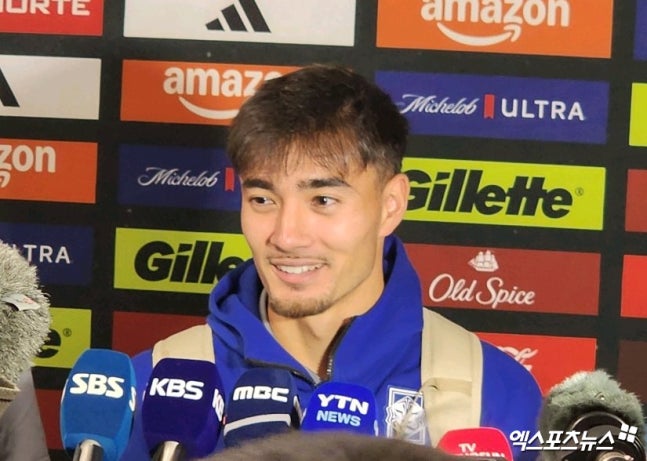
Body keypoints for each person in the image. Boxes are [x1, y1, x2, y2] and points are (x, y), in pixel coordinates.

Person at [120, 64, 542, 460]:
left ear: (391, 205)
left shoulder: (493, 391)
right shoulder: (151, 387)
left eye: (323, 200)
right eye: (263, 199)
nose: (286, 236)